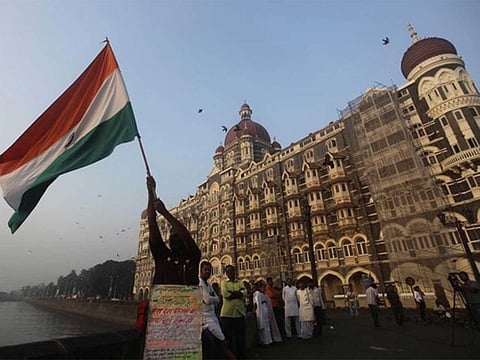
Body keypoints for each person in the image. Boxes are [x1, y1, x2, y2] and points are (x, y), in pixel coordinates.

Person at [146, 176, 201, 285]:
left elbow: (186, 236)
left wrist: (165, 212)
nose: (175, 237)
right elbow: (152, 224)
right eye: (172, 235)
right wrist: (151, 192)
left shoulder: (193, 256)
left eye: (177, 234)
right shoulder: (163, 255)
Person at [199, 261, 235, 360]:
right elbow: (207, 300)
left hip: (213, 316)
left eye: (209, 270)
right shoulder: (200, 283)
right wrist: (213, 299)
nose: (207, 272)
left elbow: (218, 298)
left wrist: (213, 299)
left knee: (221, 341)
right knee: (222, 340)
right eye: (205, 269)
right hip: (206, 318)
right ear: (200, 270)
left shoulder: (208, 284)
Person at [220, 265, 247, 359]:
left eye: (232, 271)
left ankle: (241, 357)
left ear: (235, 272)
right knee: (228, 338)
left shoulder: (240, 282)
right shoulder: (223, 282)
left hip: (239, 314)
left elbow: (245, 293)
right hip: (227, 314)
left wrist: (233, 293)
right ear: (226, 273)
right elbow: (226, 294)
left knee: (240, 339)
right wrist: (239, 293)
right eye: (228, 272)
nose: (230, 273)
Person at [253, 280, 273, 346]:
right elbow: (257, 304)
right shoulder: (257, 293)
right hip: (260, 310)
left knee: (266, 325)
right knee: (263, 326)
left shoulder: (262, 293)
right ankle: (264, 341)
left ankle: (268, 340)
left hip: (264, 309)